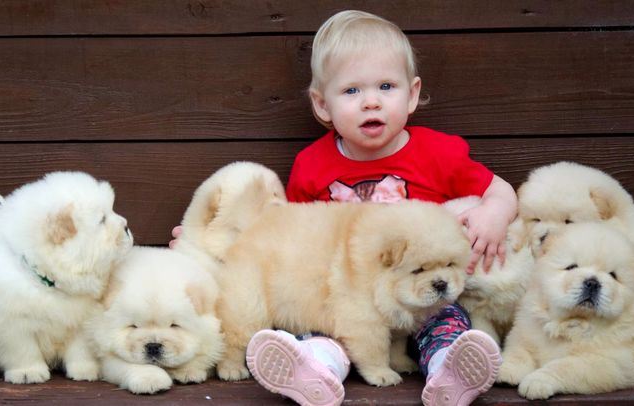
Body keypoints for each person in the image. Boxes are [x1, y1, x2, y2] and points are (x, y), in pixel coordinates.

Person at [173, 10, 515, 406]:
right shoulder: (312, 164)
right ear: (322, 105)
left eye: (386, 86)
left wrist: (495, 215)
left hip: (423, 300)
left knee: (446, 323)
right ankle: (315, 371)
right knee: (320, 333)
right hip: (338, 302)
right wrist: (211, 243)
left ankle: (448, 370)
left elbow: (501, 190)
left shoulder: (438, 153)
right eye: (352, 91)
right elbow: (285, 234)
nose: (371, 102)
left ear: (413, 93)